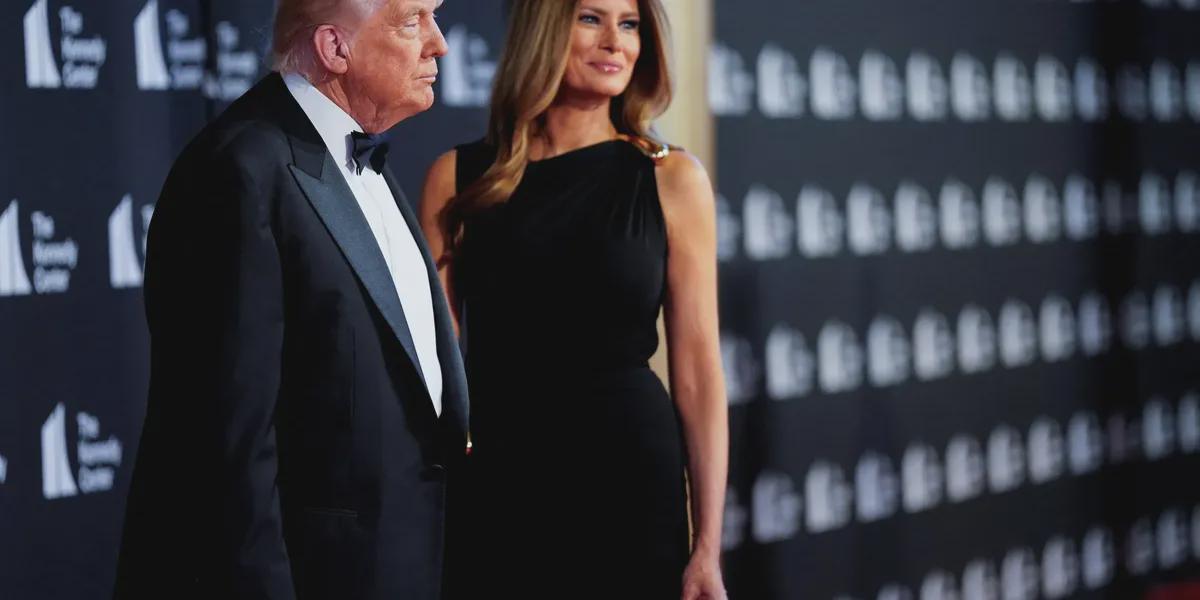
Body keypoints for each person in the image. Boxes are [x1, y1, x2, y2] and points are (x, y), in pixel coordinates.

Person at [113, 1, 468, 598]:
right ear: (334, 48)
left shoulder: (359, 158)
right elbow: (227, 449)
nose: (440, 44)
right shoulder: (238, 171)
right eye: (413, 21)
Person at [419, 0, 728, 597]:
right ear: (542, 31)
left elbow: (698, 375)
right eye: (591, 18)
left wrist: (708, 546)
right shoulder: (458, 178)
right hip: (501, 485)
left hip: (630, 485)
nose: (616, 41)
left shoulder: (671, 178)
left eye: (630, 24)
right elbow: (434, 369)